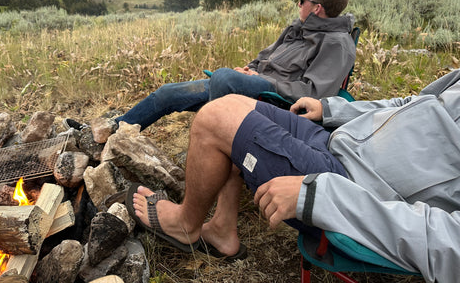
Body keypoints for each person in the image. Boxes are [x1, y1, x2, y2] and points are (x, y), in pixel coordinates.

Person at [127, 69, 460, 283]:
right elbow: (413, 104)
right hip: (339, 141)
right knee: (234, 103)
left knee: (214, 118)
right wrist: (333, 110)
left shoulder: (334, 39)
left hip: (353, 189)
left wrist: (324, 195)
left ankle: (186, 224)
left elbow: (451, 245)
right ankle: (222, 229)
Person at [64, 0, 355, 132]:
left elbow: (314, 94)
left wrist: (260, 80)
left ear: (317, 8)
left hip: (275, 101)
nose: (298, 3)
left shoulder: (336, 44)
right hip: (252, 84)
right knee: (168, 92)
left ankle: (215, 141)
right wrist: (250, 69)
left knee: (224, 78)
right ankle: (104, 132)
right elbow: (265, 57)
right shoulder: (299, 26)